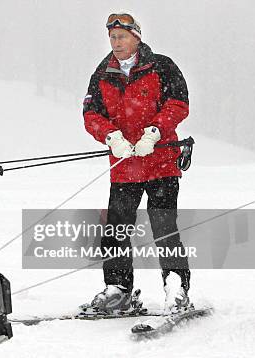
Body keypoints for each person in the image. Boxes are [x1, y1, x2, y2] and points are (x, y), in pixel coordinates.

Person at [82, 13, 191, 314]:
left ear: (137, 38)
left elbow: (179, 104)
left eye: (122, 37)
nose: (116, 43)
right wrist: (111, 136)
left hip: (161, 164)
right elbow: (91, 115)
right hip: (124, 168)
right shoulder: (102, 74)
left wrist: (155, 132)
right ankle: (118, 290)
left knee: (164, 226)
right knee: (116, 230)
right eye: (112, 37)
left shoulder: (162, 66)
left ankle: (176, 288)